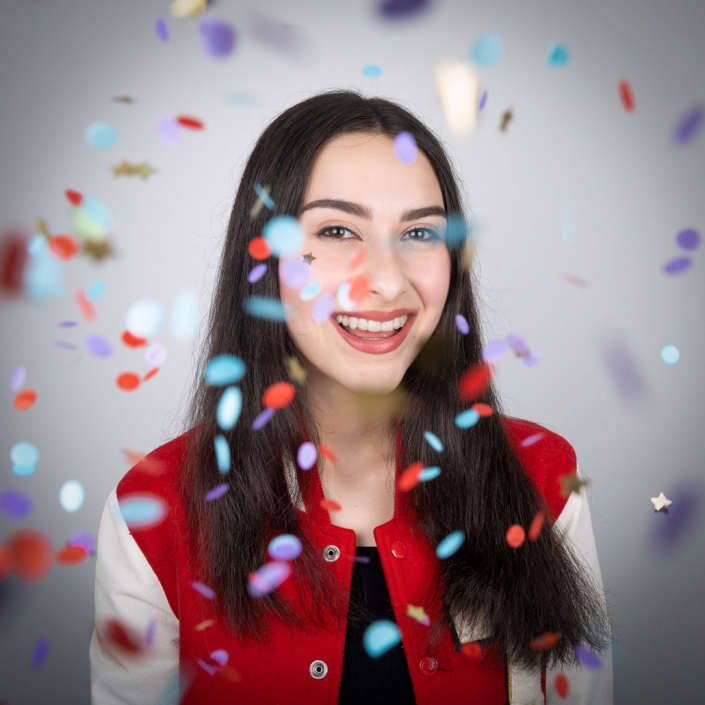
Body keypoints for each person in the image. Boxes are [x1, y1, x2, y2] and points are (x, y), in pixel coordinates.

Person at [90, 90, 612, 704]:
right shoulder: (155, 510)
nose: (388, 281)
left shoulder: (543, 481)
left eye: (420, 232)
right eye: (337, 230)